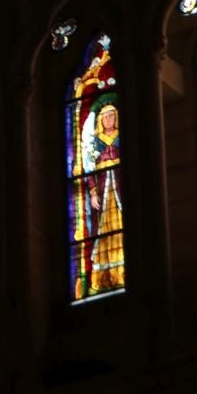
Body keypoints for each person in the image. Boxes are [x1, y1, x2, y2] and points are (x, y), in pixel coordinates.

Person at [75, 91, 124, 299]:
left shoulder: (122, 137)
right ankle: (102, 275)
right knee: (103, 229)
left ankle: (122, 268)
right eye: (105, 117)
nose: (108, 119)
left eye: (112, 115)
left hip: (120, 187)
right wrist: (93, 192)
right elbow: (88, 170)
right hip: (103, 189)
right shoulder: (95, 143)